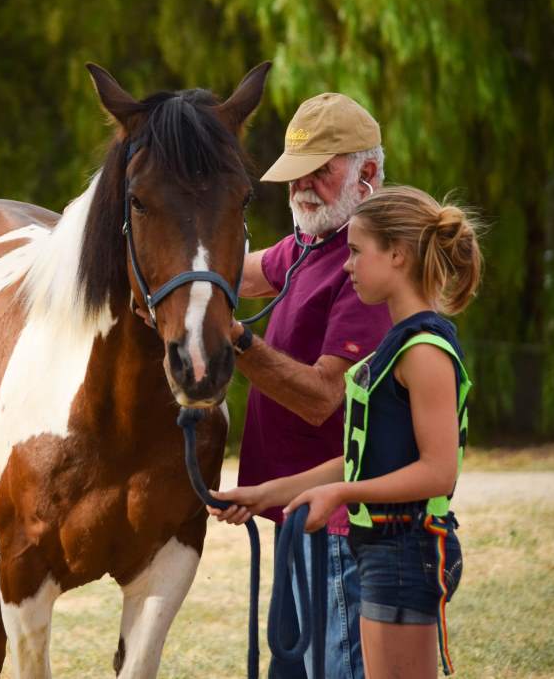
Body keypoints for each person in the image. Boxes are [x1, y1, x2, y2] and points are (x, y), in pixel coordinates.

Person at [216, 185, 481, 678]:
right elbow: (364, 457)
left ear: (397, 255)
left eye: (357, 252)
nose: (346, 265)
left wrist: (341, 493)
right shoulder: (395, 345)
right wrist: (265, 493)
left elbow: (438, 472)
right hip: (381, 548)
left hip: (407, 550)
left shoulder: (424, 351)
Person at [209, 93, 391, 679]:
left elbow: (321, 399)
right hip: (298, 516)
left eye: (320, 171)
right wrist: (166, 265)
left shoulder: (367, 264)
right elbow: (236, 274)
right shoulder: (312, 242)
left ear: (366, 172)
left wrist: (232, 338)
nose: (303, 186)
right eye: (296, 173)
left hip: (339, 527)